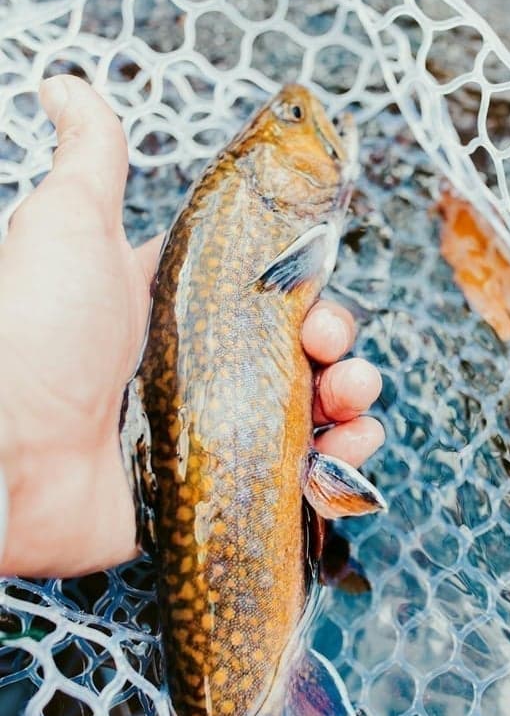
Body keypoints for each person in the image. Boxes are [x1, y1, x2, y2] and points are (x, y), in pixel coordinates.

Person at [0, 76, 384, 578]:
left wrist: (23, 455)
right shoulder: (245, 214)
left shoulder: (244, 218)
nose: (303, 113)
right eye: (294, 117)